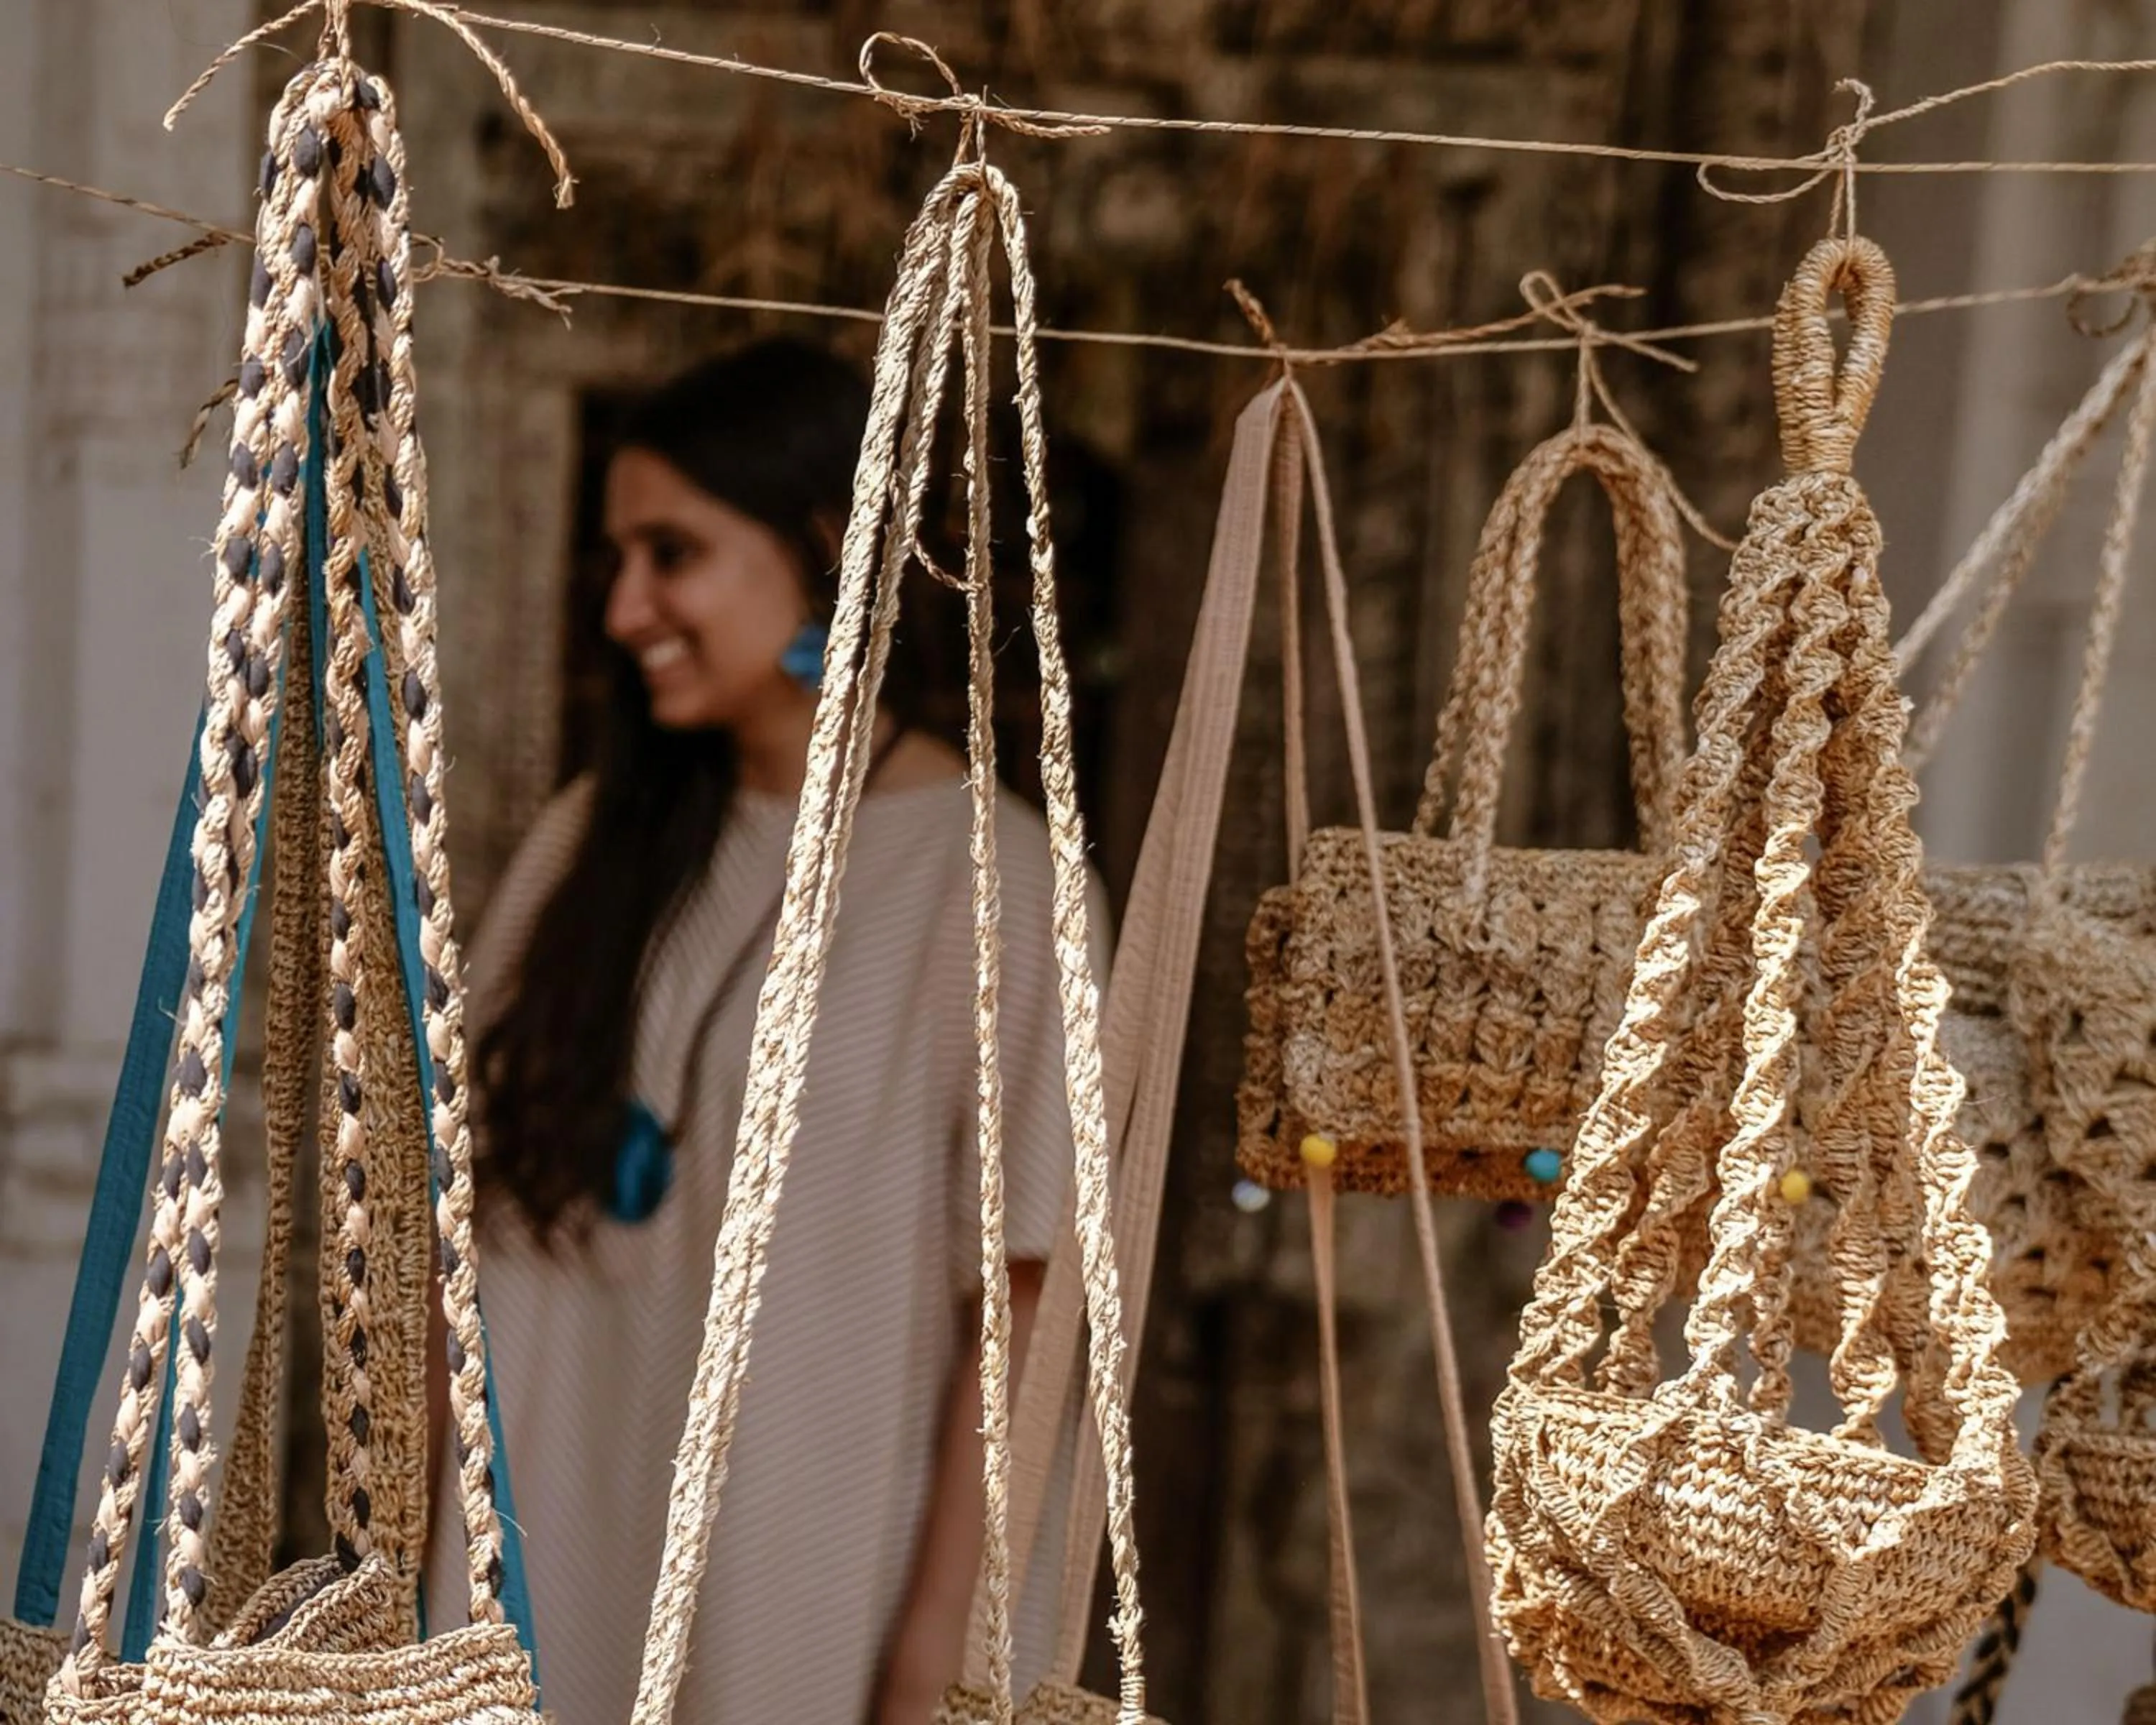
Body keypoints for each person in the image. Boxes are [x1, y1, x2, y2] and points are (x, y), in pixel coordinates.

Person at [423, 338, 1105, 1725]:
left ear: (820, 551)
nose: (625, 608)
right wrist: (407, 1547)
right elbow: (462, 1220)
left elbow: (1027, 1316)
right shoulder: (586, 845)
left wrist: (940, 1654)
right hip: (530, 1570)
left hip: (802, 1590)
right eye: (616, 560)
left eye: (671, 553)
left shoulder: (1000, 887)